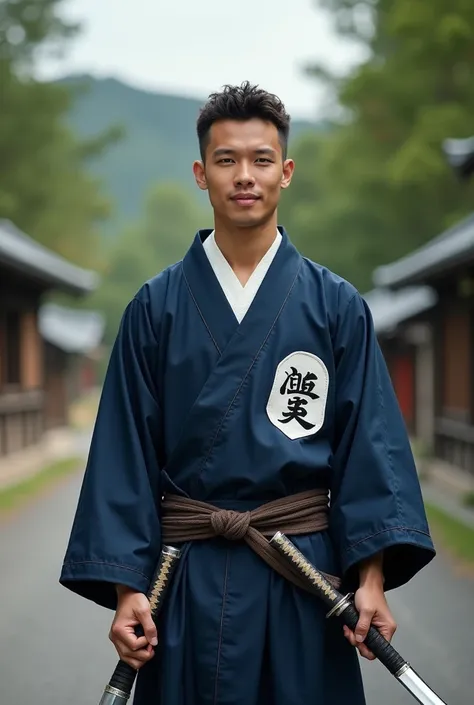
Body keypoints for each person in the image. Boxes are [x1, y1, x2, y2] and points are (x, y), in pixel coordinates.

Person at [60, 81, 435, 705]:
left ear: (285, 172)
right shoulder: (155, 309)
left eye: (261, 160)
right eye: (226, 160)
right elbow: (121, 455)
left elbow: (373, 447)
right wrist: (128, 589)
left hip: (306, 577)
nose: (244, 176)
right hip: (183, 579)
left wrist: (371, 578)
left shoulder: (335, 306)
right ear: (200, 173)